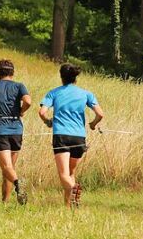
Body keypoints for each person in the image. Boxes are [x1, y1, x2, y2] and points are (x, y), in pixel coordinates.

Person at [38, 63, 105, 208]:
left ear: (61, 77)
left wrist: (48, 122)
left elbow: (42, 112)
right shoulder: (86, 94)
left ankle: (74, 189)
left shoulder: (54, 93)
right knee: (71, 172)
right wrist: (93, 125)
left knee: (63, 174)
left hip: (61, 136)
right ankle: (70, 206)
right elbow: (100, 114)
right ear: (75, 78)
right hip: (79, 137)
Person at [0, 59, 31, 204]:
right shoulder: (19, 86)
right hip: (16, 129)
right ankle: (5, 201)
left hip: (0, 129)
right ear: (12, 72)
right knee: (10, 168)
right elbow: (28, 101)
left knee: (6, 167)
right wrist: (21, 111)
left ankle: (17, 183)